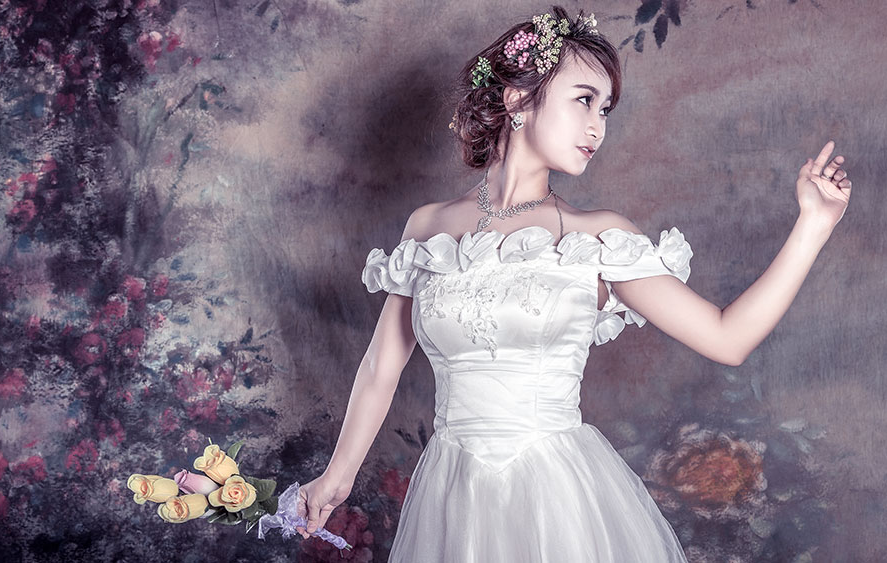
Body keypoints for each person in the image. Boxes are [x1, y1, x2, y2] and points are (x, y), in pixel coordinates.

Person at [293, 5, 852, 561]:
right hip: (452, 493)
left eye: (605, 109)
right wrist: (336, 478)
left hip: (557, 497)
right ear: (518, 99)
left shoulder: (598, 237)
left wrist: (813, 225)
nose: (598, 127)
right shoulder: (429, 227)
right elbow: (380, 366)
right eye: (584, 100)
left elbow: (728, 338)